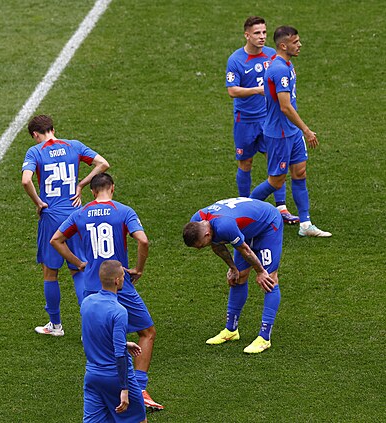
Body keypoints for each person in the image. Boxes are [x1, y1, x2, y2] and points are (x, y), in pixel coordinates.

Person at [51, 173, 163, 411]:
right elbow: (143, 241)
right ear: (112, 188)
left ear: (92, 191)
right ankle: (139, 389)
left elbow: (56, 239)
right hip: (119, 285)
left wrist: (79, 263)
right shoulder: (123, 211)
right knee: (147, 333)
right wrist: (139, 269)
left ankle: (105, 392)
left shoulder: (80, 214)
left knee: (100, 341)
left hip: (92, 289)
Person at [21, 114, 110, 336]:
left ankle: (56, 325)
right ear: (53, 129)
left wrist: (39, 203)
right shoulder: (74, 146)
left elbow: (26, 180)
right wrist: (82, 184)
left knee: (50, 272)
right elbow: (103, 164)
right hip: (75, 215)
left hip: (52, 217)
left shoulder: (35, 152)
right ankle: (91, 326)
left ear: (35, 134)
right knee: (79, 269)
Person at [249, 26, 332, 237]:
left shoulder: (287, 64)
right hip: (279, 133)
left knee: (300, 173)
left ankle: (305, 225)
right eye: (295, 42)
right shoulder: (278, 69)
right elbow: (285, 106)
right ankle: (245, 209)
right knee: (276, 181)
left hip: (291, 131)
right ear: (284, 46)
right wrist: (306, 130)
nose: (300, 45)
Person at [182, 197, 282, 354]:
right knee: (239, 276)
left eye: (201, 246)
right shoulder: (197, 221)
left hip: (268, 225)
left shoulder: (224, 226)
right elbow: (216, 245)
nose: (201, 249)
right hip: (247, 229)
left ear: (207, 234)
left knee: (269, 279)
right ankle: (231, 330)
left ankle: (264, 337)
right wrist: (233, 268)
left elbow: (245, 250)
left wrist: (260, 271)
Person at [226, 16, 299, 225]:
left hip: (269, 120)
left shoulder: (272, 55)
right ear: (246, 35)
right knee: (245, 162)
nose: (262, 37)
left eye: (264, 32)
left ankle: (281, 208)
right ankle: (244, 206)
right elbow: (232, 91)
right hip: (245, 120)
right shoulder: (236, 60)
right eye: (257, 33)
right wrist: (258, 90)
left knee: (275, 162)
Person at [80, 260, 147, 423]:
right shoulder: (119, 311)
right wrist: (124, 388)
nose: (125, 278)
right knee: (139, 420)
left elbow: (92, 336)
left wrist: (124, 344)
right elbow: (119, 354)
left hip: (93, 376)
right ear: (117, 280)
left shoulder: (87, 303)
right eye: (123, 276)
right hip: (115, 377)